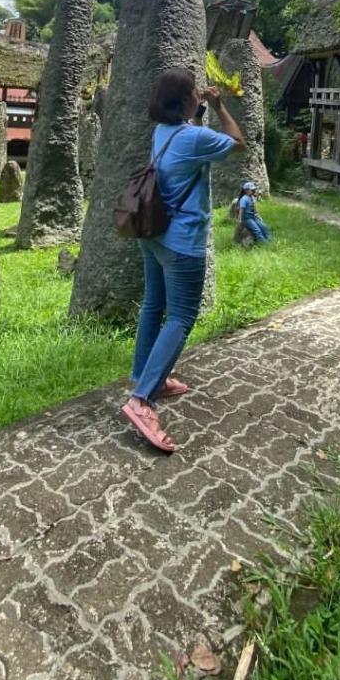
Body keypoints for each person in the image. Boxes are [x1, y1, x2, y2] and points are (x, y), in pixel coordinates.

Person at [122, 68, 245, 454]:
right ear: (185, 100)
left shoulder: (164, 132)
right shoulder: (192, 137)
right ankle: (142, 401)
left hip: (153, 233)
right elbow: (238, 143)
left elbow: (191, 134)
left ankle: (146, 377)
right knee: (180, 317)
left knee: (153, 306)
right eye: (195, 91)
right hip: (182, 242)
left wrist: (199, 110)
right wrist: (221, 106)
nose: (199, 94)